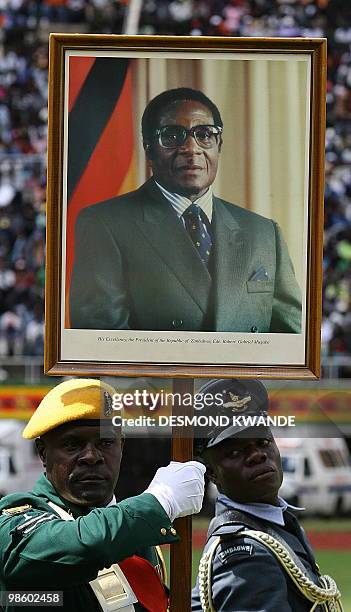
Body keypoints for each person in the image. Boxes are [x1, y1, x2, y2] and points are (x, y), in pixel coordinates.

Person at [70, 87, 301, 334]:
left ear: (218, 146)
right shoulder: (104, 224)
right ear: (149, 150)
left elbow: (290, 340)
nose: (192, 148)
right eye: (172, 136)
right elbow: (102, 338)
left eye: (204, 135)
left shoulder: (264, 233)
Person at [0, 378, 205, 612]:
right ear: (43, 453)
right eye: (72, 444)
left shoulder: (136, 536)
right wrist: (161, 501)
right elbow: (84, 545)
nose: (91, 456)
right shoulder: (13, 521)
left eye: (105, 442)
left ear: (121, 447)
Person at [191, 378, 342, 612]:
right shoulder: (245, 554)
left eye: (262, 441)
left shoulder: (271, 524)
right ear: (212, 474)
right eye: (235, 451)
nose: (257, 455)